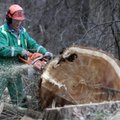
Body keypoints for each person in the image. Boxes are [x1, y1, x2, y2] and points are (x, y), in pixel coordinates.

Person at [0, 4, 53, 108]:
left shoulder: (22, 32)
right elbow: (1, 50)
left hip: (16, 70)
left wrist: (44, 52)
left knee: (20, 101)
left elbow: (32, 44)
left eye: (20, 20)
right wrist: (20, 50)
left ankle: (21, 115)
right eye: (16, 20)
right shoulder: (2, 32)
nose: (19, 23)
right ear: (9, 19)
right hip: (3, 69)